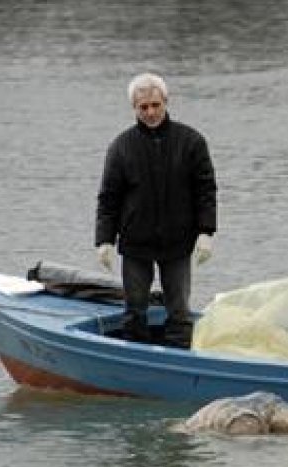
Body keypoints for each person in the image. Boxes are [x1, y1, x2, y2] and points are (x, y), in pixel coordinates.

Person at [95, 73, 217, 348]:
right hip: (136, 243)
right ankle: (135, 360)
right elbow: (108, 198)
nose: (150, 112)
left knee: (180, 311)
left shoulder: (192, 141)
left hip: (178, 242)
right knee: (134, 310)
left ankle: (180, 362)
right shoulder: (121, 146)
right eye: (143, 107)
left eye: (155, 105)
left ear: (166, 101)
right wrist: (104, 240)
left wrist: (207, 231)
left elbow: (206, 190)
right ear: (134, 109)